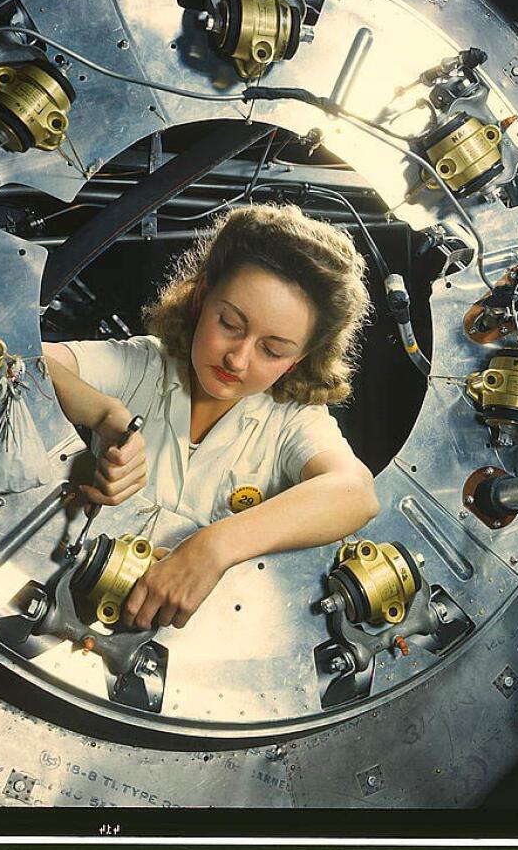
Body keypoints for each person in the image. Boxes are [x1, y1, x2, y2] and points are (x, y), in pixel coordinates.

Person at [42, 203, 380, 630]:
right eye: (230, 323)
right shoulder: (144, 366)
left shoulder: (294, 420)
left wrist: (213, 548)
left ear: (298, 361)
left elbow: (355, 492)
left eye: (272, 350)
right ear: (201, 297)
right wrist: (106, 413)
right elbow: (21, 360)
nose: (238, 359)